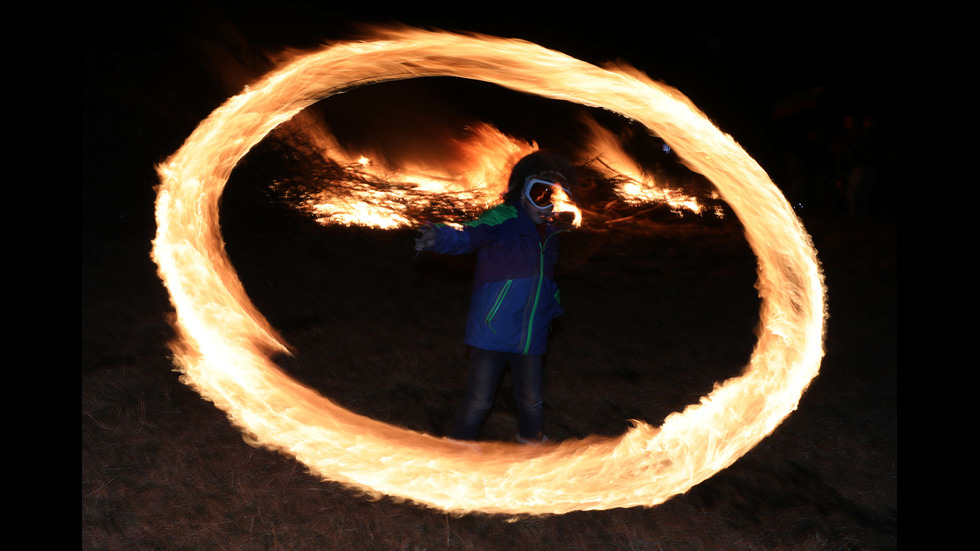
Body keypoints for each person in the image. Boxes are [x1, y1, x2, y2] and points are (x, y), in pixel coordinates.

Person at [414, 150, 576, 445]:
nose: (546, 203)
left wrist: (552, 308)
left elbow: (546, 280)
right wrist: (438, 237)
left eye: (551, 195)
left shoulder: (550, 236)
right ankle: (459, 449)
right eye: (538, 193)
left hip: (531, 335)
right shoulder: (502, 220)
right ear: (521, 192)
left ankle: (531, 440)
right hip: (493, 330)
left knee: (532, 400)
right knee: (479, 401)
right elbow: (468, 235)